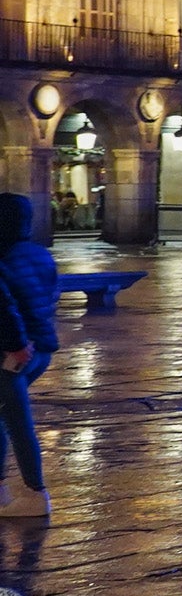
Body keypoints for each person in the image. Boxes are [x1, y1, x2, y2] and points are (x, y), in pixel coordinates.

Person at [0, 196, 53, 518]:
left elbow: (3, 307)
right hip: (41, 349)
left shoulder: (2, 255)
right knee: (5, 417)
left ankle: (36, 493)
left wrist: (18, 344)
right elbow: (49, 296)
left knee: (18, 422)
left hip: (13, 353)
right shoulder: (39, 253)